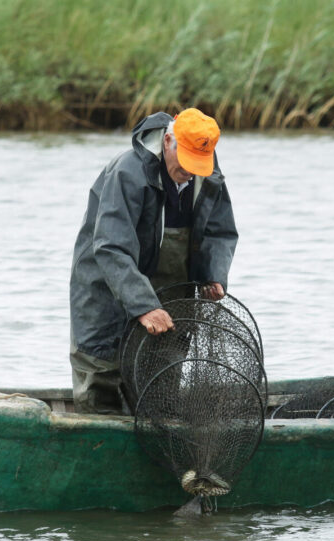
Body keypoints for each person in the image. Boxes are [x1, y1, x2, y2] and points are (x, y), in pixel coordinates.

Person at [68, 107, 238, 414]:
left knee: (161, 385)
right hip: (107, 288)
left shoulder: (208, 174)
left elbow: (220, 231)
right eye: (186, 162)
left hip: (171, 296)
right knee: (101, 375)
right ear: (168, 141)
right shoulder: (127, 172)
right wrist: (144, 306)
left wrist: (213, 274)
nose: (191, 171)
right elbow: (111, 247)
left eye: (198, 165)